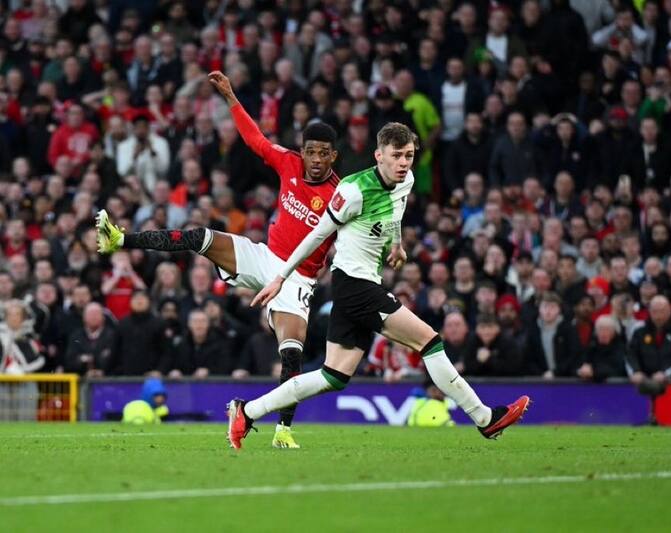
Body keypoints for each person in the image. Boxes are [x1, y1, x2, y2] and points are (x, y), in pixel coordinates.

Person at [232, 122, 529, 449]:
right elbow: (316, 235)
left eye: (409, 156)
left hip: (361, 284)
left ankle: (248, 411)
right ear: (379, 156)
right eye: (396, 156)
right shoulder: (353, 190)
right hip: (354, 285)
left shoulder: (406, 180)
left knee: (333, 376)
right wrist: (280, 277)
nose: (403, 163)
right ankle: (485, 418)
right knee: (429, 341)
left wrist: (397, 244)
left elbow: (396, 210)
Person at [95, 71, 341, 450]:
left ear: (333, 156)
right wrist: (230, 97)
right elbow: (255, 139)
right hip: (264, 257)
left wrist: (391, 243)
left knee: (292, 354)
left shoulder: (341, 194)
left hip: (297, 280)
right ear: (303, 151)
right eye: (311, 151)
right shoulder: (289, 163)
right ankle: (120, 239)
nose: (317, 159)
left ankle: (282, 430)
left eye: (324, 153)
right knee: (200, 236)